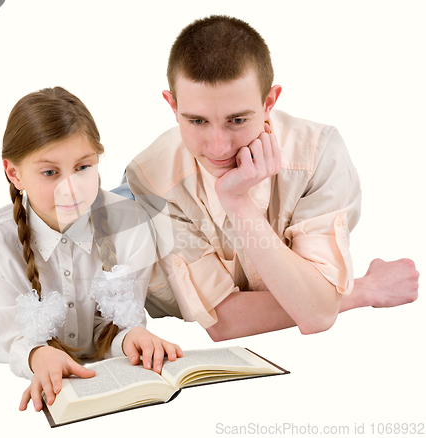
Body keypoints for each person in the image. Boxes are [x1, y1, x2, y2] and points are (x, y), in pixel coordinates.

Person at [124, 15, 419, 340]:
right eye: (196, 121)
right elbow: (225, 322)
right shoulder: (150, 176)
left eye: (237, 120)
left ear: (268, 103)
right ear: (172, 105)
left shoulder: (318, 154)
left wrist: (236, 202)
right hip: (138, 274)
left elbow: (316, 313)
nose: (219, 147)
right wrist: (361, 290)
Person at [0, 86, 183, 412]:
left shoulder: (133, 224)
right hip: (5, 313)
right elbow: (14, 339)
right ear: (14, 173)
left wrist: (132, 338)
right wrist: (38, 355)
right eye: (50, 172)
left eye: (83, 167)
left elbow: (117, 324)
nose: (72, 189)